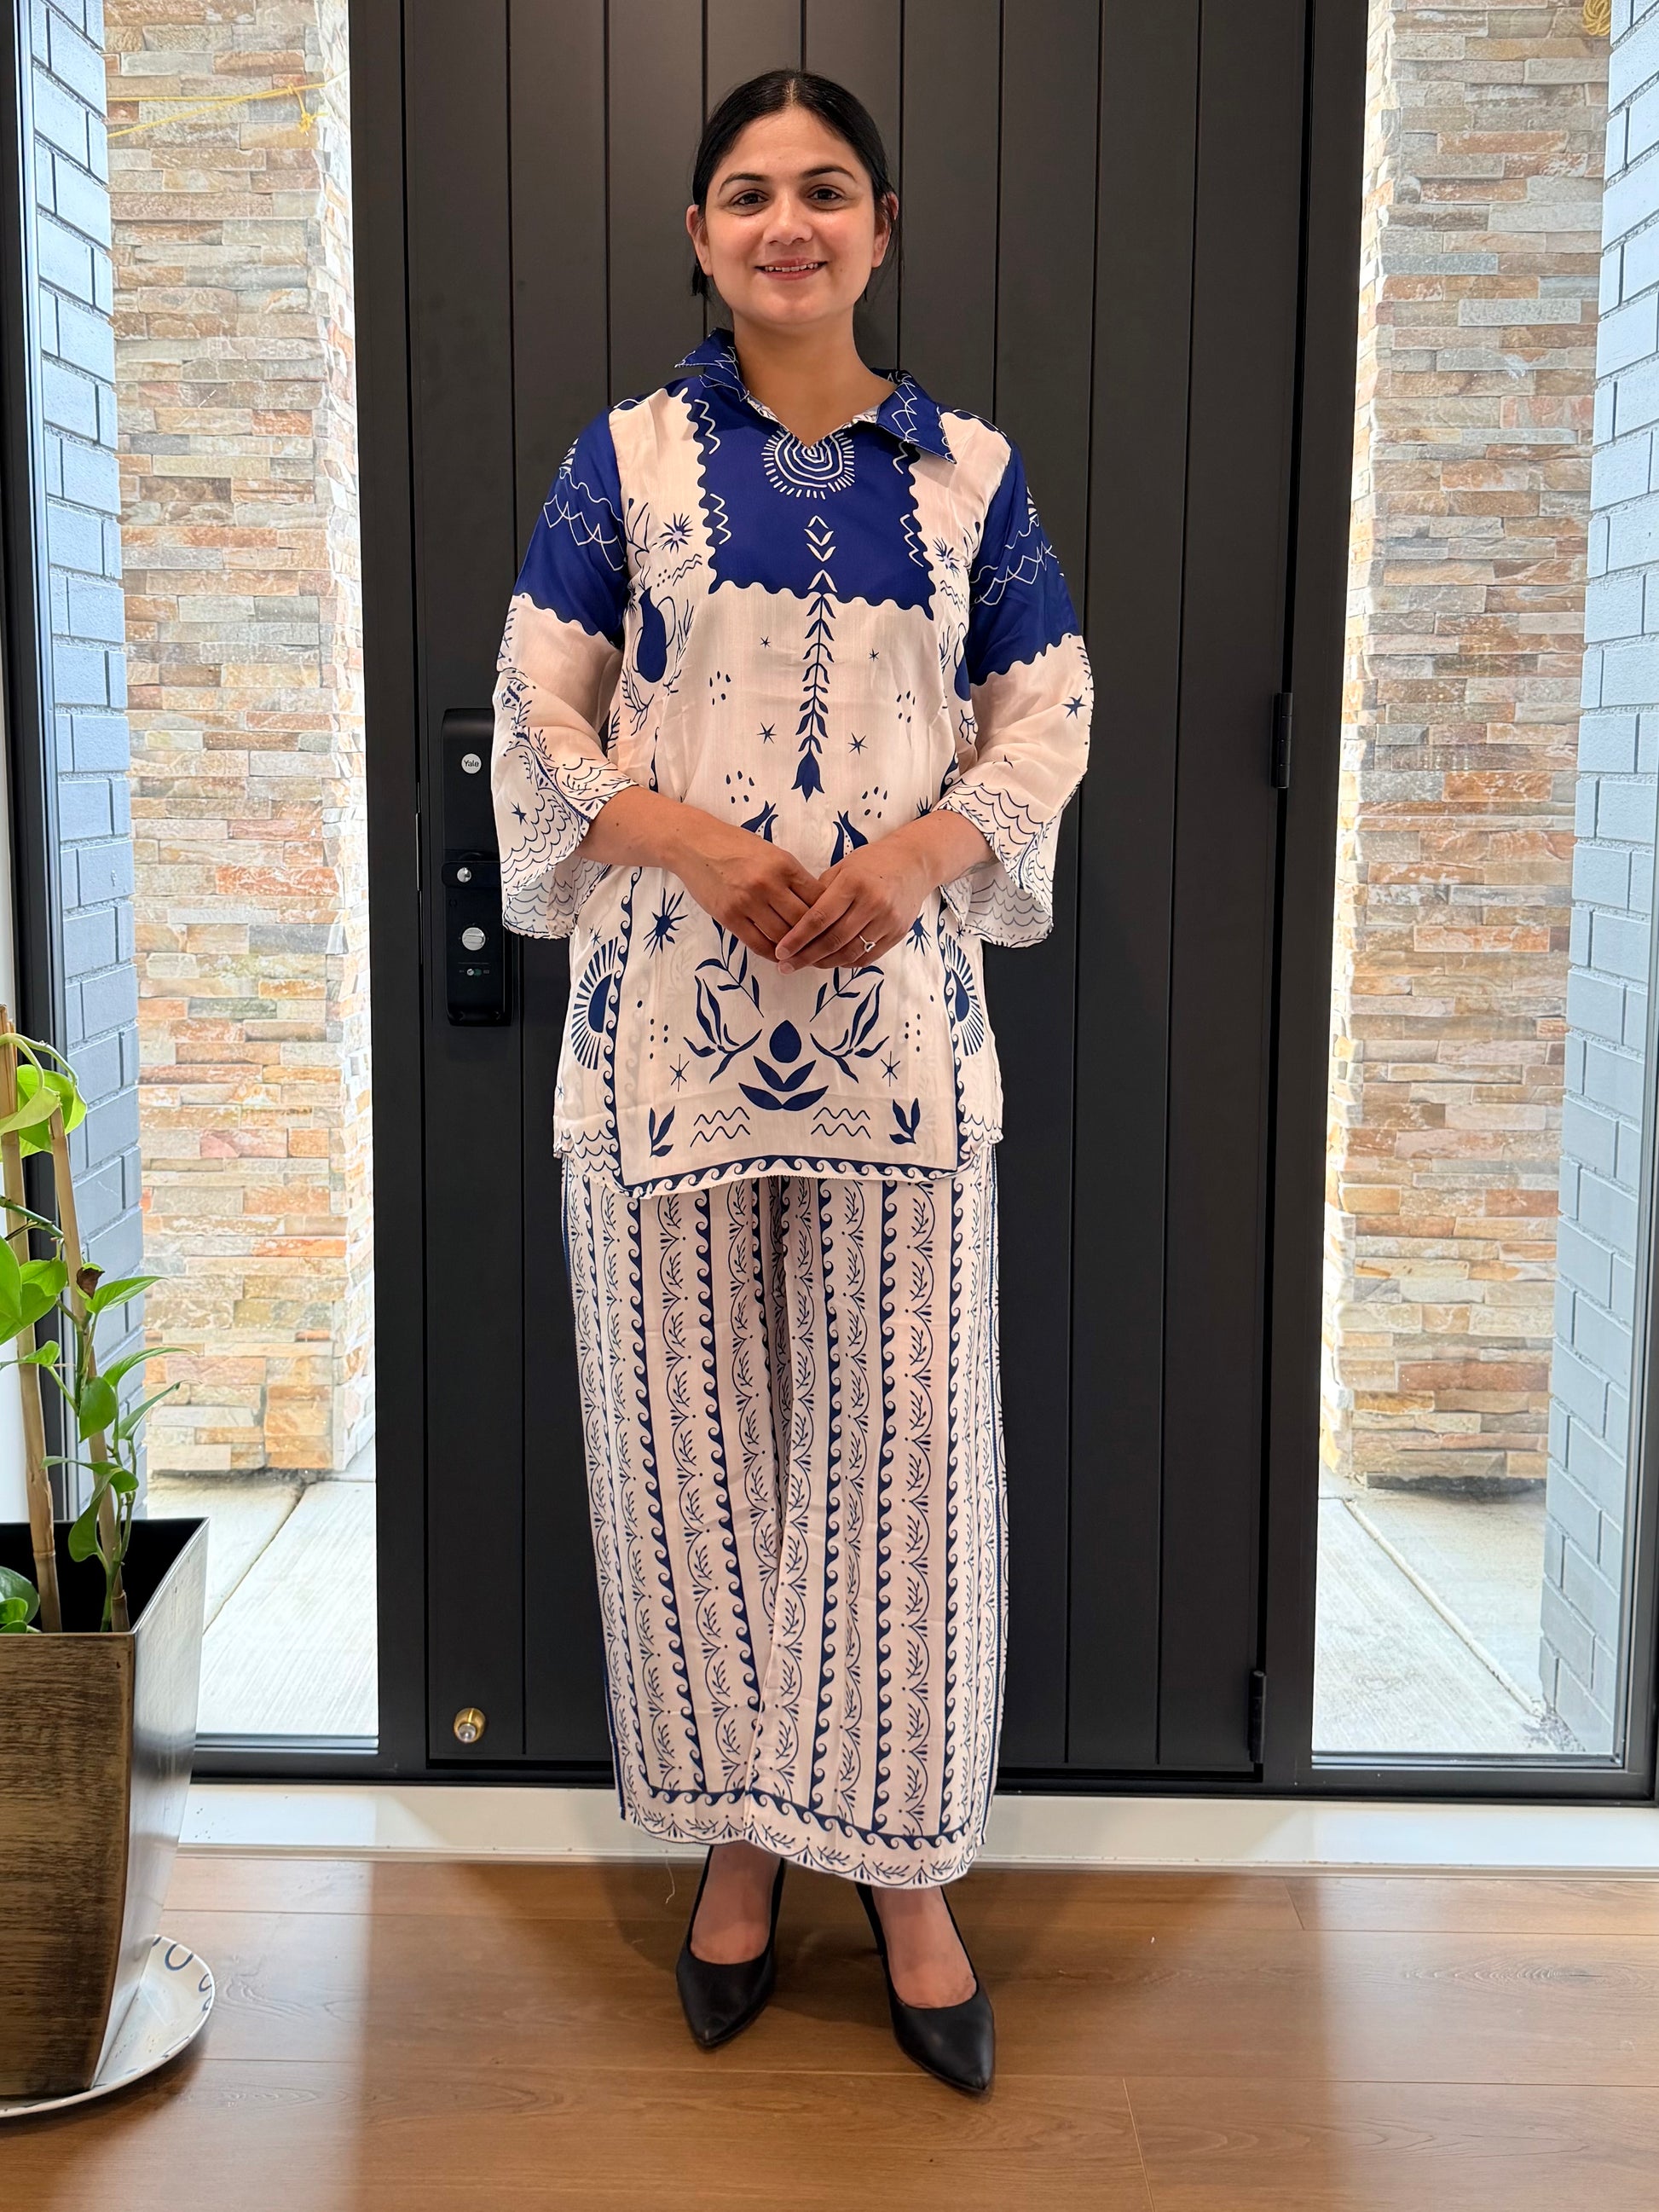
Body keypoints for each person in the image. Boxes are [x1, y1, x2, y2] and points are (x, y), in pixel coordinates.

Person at [489, 67, 1091, 2095]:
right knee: (688, 1461)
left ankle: (908, 1879)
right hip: (661, 1057)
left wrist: (921, 857)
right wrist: (683, 840)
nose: (786, 224)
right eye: (747, 193)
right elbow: (536, 707)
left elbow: (1047, 713)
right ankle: (739, 1847)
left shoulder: (969, 476)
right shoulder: (627, 462)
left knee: (906, 1471)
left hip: (898, 1058)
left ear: (880, 227)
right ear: (698, 234)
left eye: (825, 190)